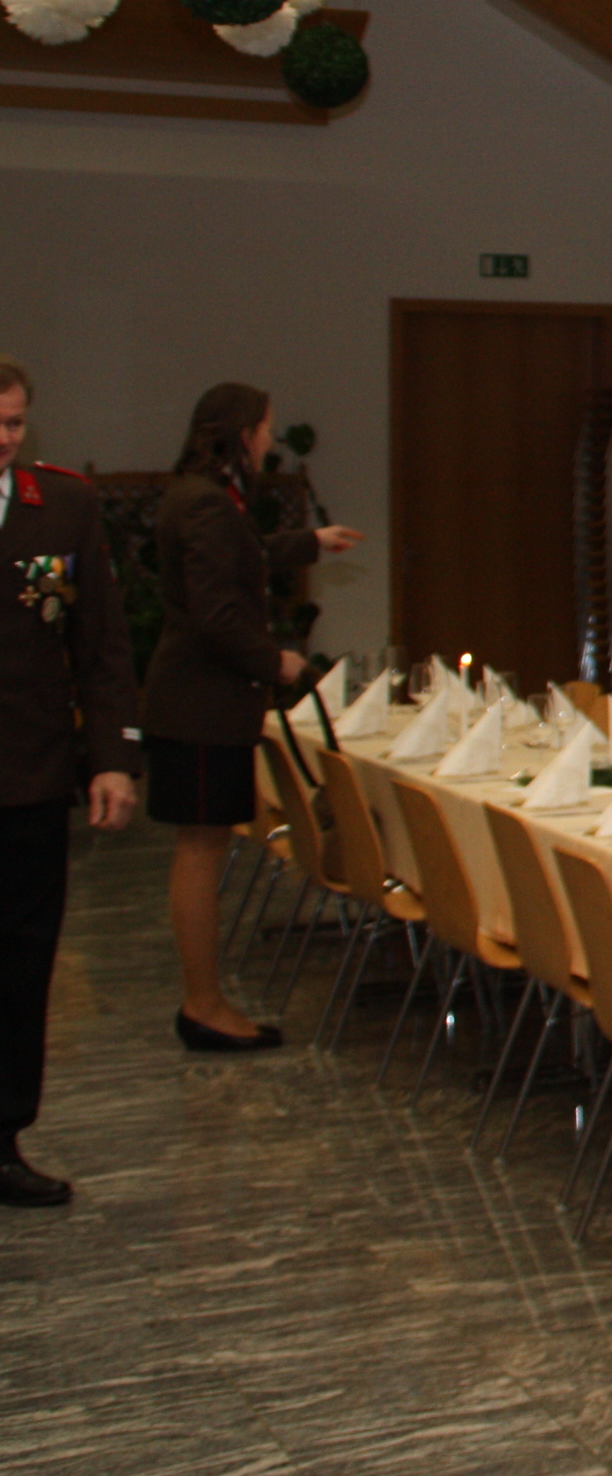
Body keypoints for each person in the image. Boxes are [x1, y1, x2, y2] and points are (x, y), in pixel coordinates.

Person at [144, 381, 360, 1053]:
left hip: (195, 704)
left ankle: (204, 1000)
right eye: (265, 429)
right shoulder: (209, 503)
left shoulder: (200, 494)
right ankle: (204, 1005)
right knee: (201, 849)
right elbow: (217, 612)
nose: (269, 440)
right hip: (202, 706)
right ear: (243, 434)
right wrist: (279, 664)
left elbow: (242, 554)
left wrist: (309, 542)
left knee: (201, 846)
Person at [0, 361, 138, 1205]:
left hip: (28, 772)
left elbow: (101, 642)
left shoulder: (64, 506)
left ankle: (3, 1137)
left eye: (13, 423)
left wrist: (112, 757)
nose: (3, 439)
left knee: (21, 966)